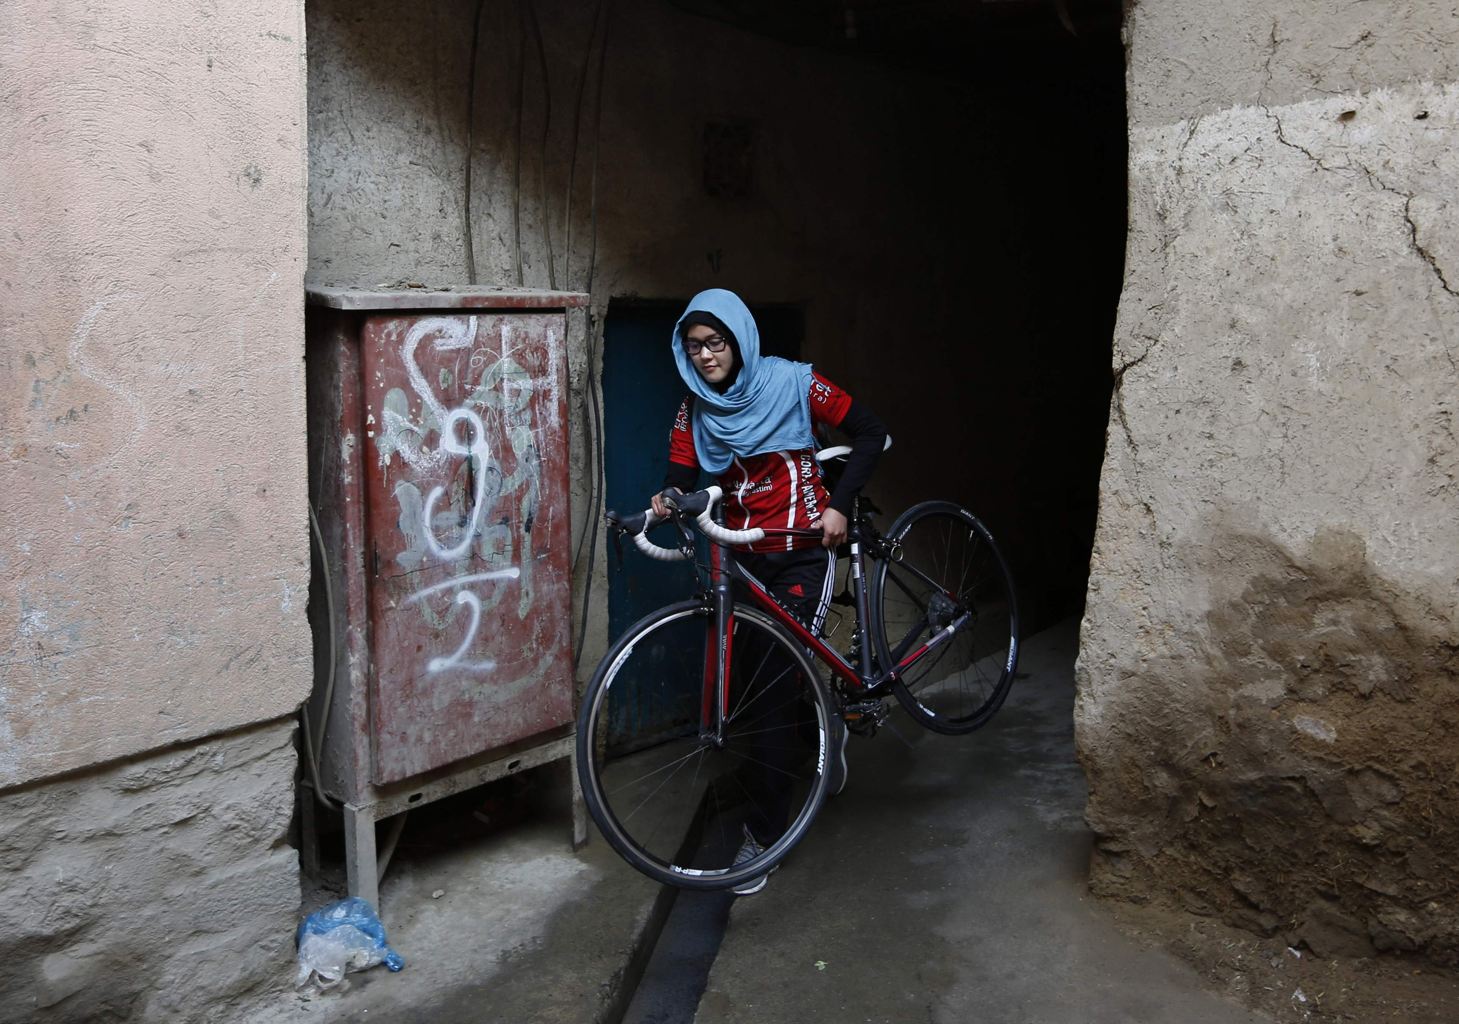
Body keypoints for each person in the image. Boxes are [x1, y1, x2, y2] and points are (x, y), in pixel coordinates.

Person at [650, 288, 887, 895]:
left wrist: (840, 505)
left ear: (739, 340)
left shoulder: (795, 382)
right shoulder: (695, 405)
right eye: (694, 346)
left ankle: (765, 838)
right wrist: (666, 499)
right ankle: (821, 736)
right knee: (753, 684)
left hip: (804, 550)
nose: (706, 356)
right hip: (744, 556)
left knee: (775, 685)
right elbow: (680, 475)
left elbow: (869, 431)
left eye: (716, 342)